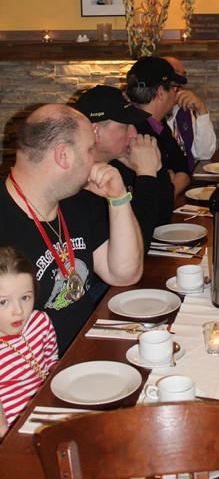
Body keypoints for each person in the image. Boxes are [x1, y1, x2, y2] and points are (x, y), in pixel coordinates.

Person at [0, 105, 144, 353]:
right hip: (35, 372)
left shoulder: (77, 202)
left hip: (88, 351)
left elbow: (124, 274)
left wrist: (119, 198)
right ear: (63, 155)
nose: (94, 159)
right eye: (89, 149)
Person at [73, 85, 172, 252]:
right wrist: (146, 175)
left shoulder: (121, 163)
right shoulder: (79, 185)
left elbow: (162, 220)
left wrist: (157, 168)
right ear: (96, 132)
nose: (134, 133)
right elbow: (135, 248)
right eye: (125, 126)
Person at [0, 246, 59, 438]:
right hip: (14, 432)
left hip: (49, 413)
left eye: (25, 298)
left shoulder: (40, 323)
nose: (18, 310)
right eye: (3, 302)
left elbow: (52, 363)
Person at [126, 57, 192, 195]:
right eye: (174, 88)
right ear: (161, 92)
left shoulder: (158, 125)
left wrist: (169, 190)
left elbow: (184, 167)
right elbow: (152, 193)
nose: (177, 93)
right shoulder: (132, 132)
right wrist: (168, 188)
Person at [165, 56, 216, 173]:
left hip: (186, 177)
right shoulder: (153, 115)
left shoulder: (183, 109)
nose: (181, 82)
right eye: (175, 75)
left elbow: (204, 153)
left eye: (183, 76)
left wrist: (202, 110)